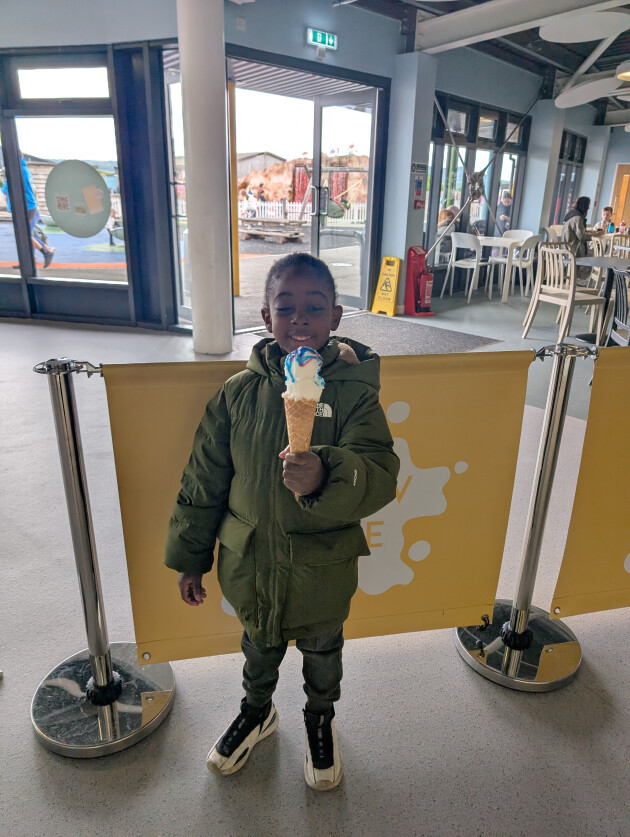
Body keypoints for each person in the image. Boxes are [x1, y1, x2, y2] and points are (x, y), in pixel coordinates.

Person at [164, 252, 399, 791]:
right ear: (266, 316)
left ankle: (320, 717)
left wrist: (327, 473)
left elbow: (381, 473)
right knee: (258, 646)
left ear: (335, 316)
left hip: (322, 569)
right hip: (251, 561)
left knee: (323, 651)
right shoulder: (237, 394)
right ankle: (257, 711)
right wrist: (191, 557)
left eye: (314, 307)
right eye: (285, 307)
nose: (299, 318)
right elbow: (203, 481)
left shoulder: (353, 393)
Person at [1, 157, 55, 267]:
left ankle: (45, 251)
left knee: (24, 235)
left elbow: (5, 189)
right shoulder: (24, 170)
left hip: (27, 209)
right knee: (26, 235)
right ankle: (31, 259)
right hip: (30, 208)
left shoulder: (17, 171)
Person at [562, 196, 604, 284]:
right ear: (584, 206)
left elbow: (578, 232)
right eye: (588, 205)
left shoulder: (572, 214)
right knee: (593, 256)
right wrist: (597, 234)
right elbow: (582, 237)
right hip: (572, 248)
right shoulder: (578, 217)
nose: (589, 208)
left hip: (566, 245)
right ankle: (579, 278)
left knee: (590, 252)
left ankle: (576, 277)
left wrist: (590, 231)